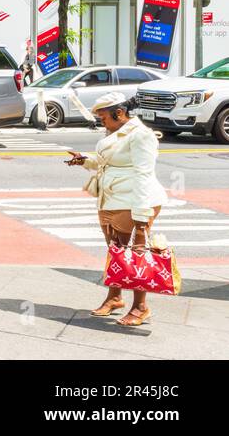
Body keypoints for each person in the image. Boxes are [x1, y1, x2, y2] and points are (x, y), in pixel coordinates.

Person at [67, 91, 169, 328]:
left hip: (134, 201)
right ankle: (114, 298)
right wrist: (84, 160)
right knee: (117, 252)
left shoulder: (141, 135)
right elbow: (109, 162)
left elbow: (144, 174)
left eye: (104, 118)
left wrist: (142, 218)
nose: (101, 122)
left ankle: (141, 307)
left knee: (134, 254)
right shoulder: (116, 132)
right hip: (110, 199)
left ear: (119, 113)